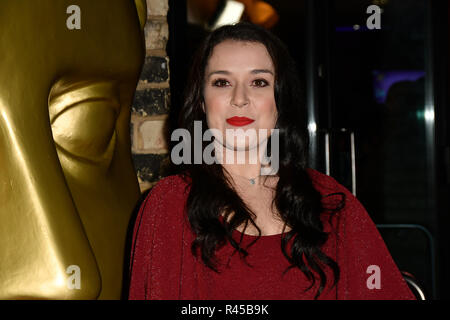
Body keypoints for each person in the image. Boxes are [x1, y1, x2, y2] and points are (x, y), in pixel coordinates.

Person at [128, 22, 415, 300]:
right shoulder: (168, 204)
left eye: (259, 82)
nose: (240, 98)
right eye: (222, 82)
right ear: (202, 102)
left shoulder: (332, 202)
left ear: (280, 100)